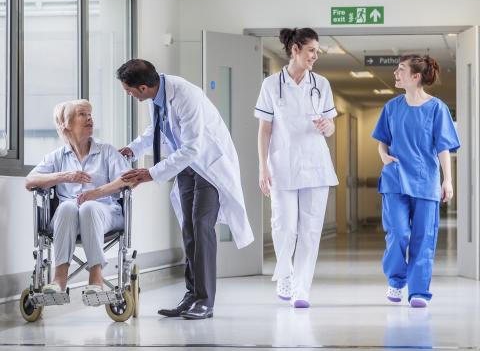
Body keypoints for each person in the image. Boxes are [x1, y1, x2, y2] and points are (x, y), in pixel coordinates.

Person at [117, 59, 253, 320]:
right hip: (185, 166)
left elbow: (193, 148)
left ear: (143, 87)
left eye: (129, 90)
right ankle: (191, 295)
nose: (128, 94)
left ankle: (205, 301)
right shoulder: (157, 97)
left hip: (208, 166)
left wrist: (151, 173)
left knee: (202, 227)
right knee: (189, 229)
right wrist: (132, 149)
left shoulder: (185, 95)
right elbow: (155, 129)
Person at [254, 28, 338, 308]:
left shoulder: (322, 84)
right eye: (311, 50)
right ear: (295, 50)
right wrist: (262, 167)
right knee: (285, 227)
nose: (315, 56)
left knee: (311, 231)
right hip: (282, 165)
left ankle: (302, 288)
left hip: (316, 166)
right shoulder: (270, 85)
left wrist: (328, 126)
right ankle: (285, 274)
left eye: (317, 51)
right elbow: (264, 130)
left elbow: (330, 126)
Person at [372, 54, 460, 308]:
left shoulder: (437, 108)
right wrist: (383, 156)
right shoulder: (392, 107)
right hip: (395, 179)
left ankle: (419, 291)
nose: (396, 74)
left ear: (415, 76)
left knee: (424, 237)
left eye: (400, 70)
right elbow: (382, 141)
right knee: (398, 233)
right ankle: (396, 281)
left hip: (425, 181)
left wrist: (448, 180)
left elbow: (444, 147)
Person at [25, 100, 131, 295]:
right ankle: (59, 278)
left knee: (89, 207)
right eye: (83, 114)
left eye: (90, 114)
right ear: (66, 123)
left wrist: (96, 192)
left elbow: (129, 180)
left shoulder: (106, 151)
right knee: (67, 207)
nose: (90, 118)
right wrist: (64, 176)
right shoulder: (57, 157)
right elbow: (30, 181)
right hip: (68, 217)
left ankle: (96, 277)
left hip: (104, 211)